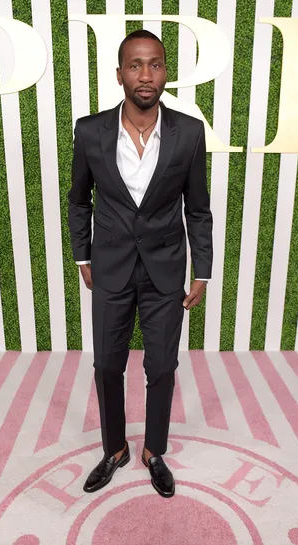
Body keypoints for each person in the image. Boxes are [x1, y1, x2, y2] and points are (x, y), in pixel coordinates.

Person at [68, 29, 213, 499]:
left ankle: (153, 451)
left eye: (154, 65)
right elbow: (79, 200)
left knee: (163, 365)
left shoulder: (189, 132)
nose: (145, 75)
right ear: (119, 75)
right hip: (109, 267)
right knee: (108, 364)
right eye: (135, 65)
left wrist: (202, 269)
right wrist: (83, 255)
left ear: (166, 72)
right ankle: (114, 450)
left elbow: (197, 207)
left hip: (165, 269)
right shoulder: (90, 130)